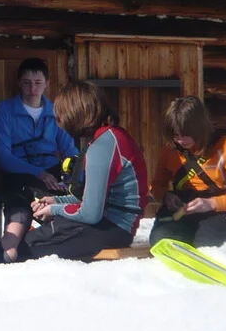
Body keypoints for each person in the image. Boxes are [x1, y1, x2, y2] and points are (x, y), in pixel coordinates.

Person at [26, 81, 148, 260]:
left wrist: (54, 210)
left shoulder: (103, 144)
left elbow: (90, 213)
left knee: (29, 249)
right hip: (111, 225)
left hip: (112, 228)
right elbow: (91, 199)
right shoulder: (109, 136)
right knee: (31, 240)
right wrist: (55, 200)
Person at [0, 58, 80, 261]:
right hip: (18, 172)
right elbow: (3, 155)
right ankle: (9, 250)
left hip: (51, 170)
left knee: (59, 201)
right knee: (20, 206)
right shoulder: (4, 111)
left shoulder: (55, 111)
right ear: (19, 83)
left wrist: (69, 175)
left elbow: (69, 149)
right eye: (27, 82)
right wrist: (38, 172)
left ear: (47, 83)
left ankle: (57, 245)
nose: (32, 88)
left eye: (38, 82)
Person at [149, 96, 226, 247]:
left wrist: (212, 203)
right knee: (163, 240)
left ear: (199, 128)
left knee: (207, 245)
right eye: (176, 135)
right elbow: (156, 186)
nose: (181, 140)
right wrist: (166, 196)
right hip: (182, 210)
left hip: (218, 212)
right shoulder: (170, 150)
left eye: (186, 133)